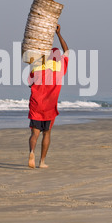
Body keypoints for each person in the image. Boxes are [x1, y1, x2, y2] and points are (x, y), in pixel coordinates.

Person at [27, 24, 69, 169]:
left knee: (35, 133)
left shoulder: (38, 66)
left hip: (36, 104)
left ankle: (31, 151)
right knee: (47, 133)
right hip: (50, 106)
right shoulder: (60, 66)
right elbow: (67, 51)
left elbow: (29, 82)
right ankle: (42, 162)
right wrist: (58, 34)